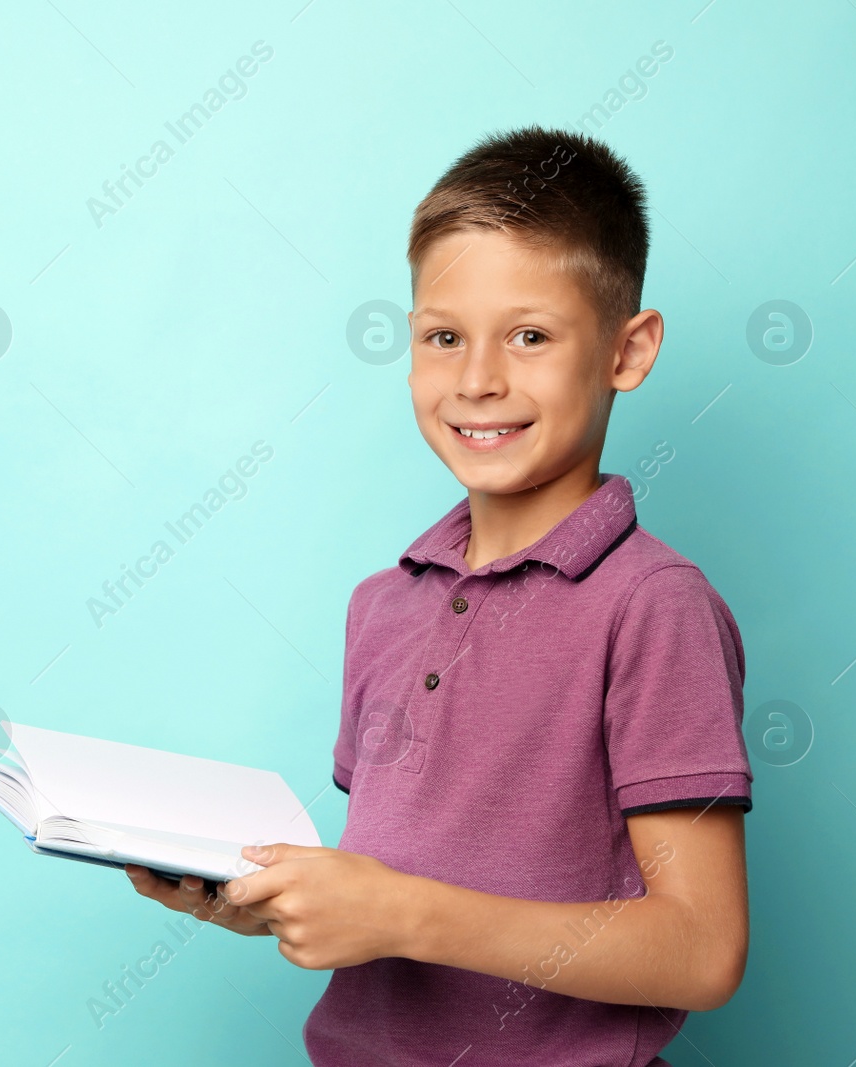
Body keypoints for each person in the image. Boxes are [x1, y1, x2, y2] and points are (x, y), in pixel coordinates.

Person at [125, 125, 753, 1066]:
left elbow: (702, 952)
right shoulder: (383, 603)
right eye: (443, 337)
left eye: (530, 336)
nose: (478, 380)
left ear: (629, 350)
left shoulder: (654, 605)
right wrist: (268, 904)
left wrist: (408, 914)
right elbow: (393, 898)